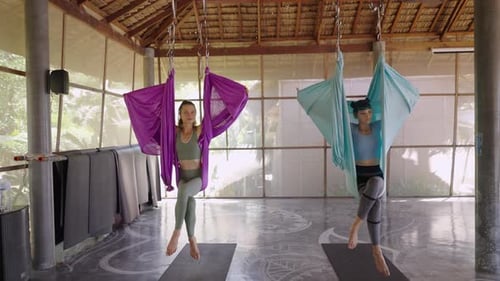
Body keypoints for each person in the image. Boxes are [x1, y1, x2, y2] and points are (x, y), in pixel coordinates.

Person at [347, 98, 390, 277]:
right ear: (356, 115)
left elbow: (393, 113)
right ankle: (376, 250)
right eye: (363, 113)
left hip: (376, 172)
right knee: (375, 205)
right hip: (359, 175)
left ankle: (356, 226)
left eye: (370, 112)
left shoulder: (379, 127)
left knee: (378, 183)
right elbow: (336, 116)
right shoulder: (351, 129)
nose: (368, 116)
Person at [166, 100, 202, 260]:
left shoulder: (199, 130)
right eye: (186, 112)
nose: (190, 115)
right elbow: (160, 118)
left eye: (193, 112)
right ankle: (192, 239)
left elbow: (221, 118)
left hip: (198, 179)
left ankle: (176, 232)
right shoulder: (175, 132)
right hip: (183, 177)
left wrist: (240, 95)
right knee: (190, 202)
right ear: (179, 114)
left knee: (185, 191)